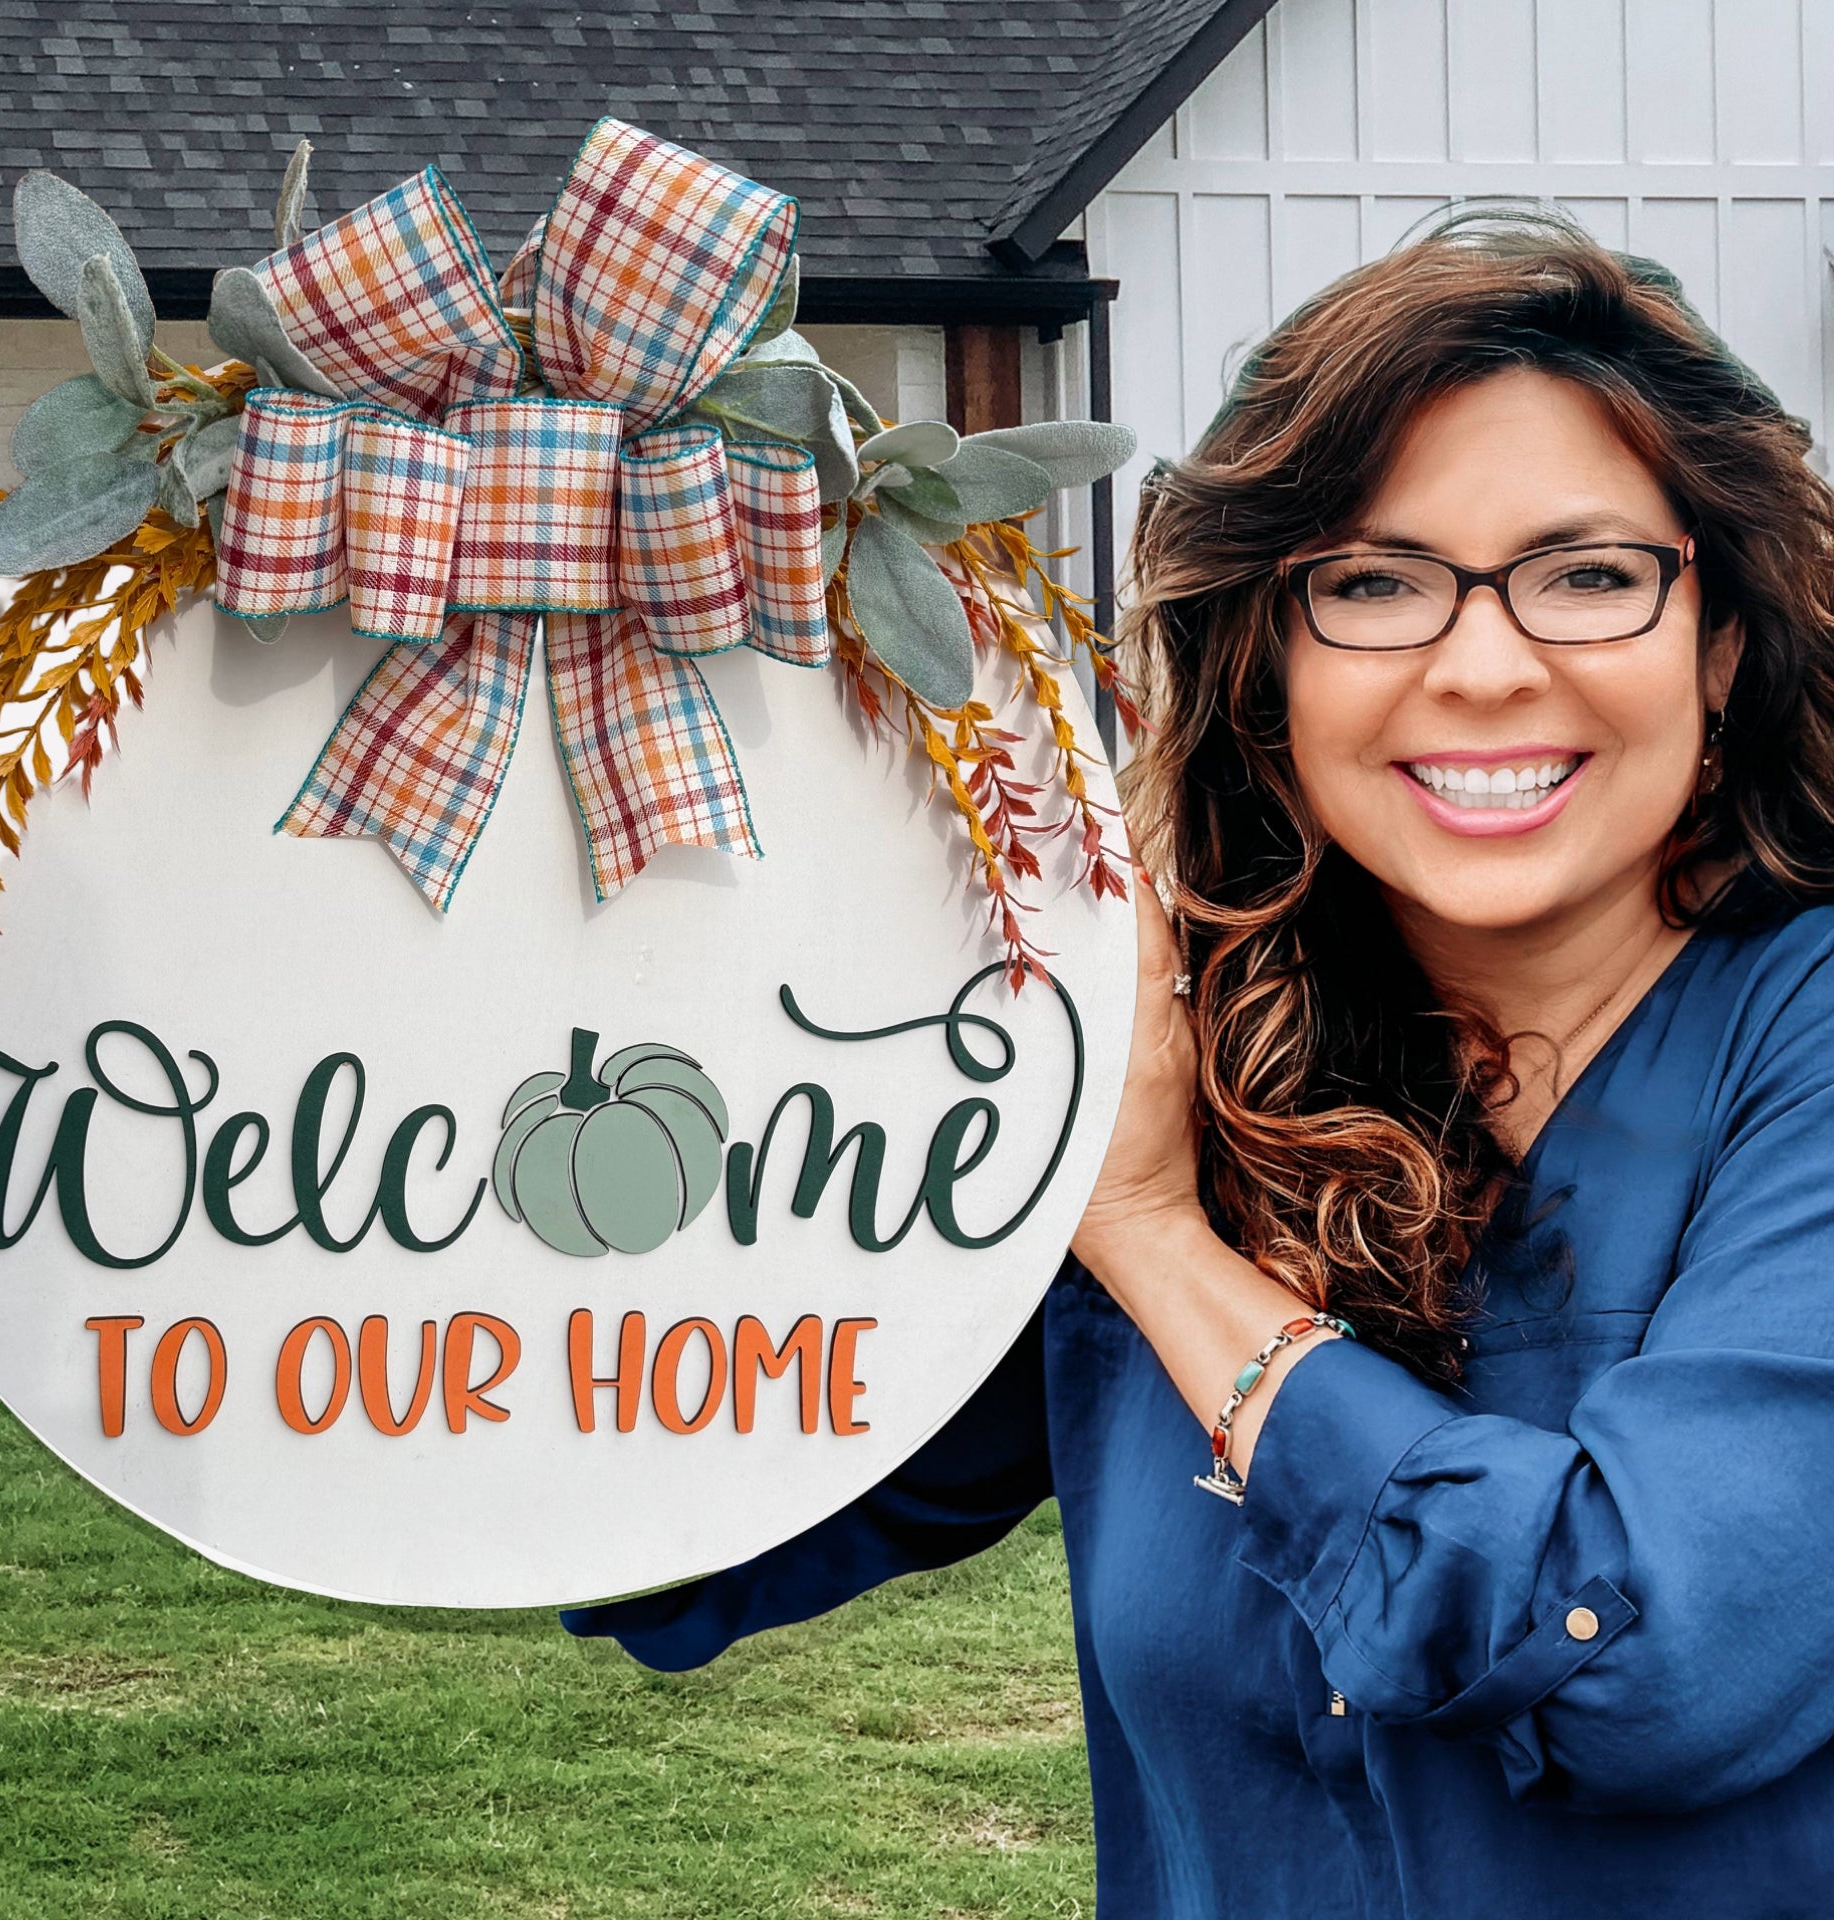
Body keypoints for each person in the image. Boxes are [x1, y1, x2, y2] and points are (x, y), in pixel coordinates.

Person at [564, 212, 1834, 1917]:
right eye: (1372, 583)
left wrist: (1161, 1242)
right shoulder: (1173, 1052)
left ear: (1725, 639)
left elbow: (1641, 1660)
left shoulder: (1793, 1051)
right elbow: (717, 1498)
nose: (1480, 665)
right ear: (1269, 662)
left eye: (1589, 574)